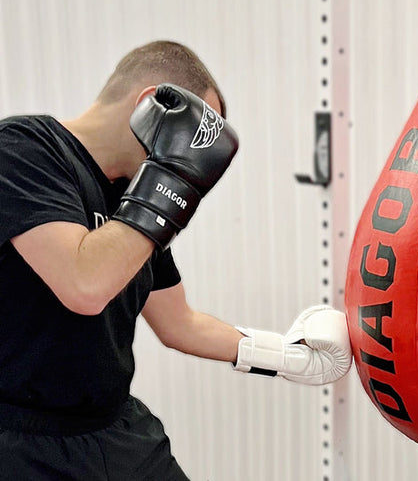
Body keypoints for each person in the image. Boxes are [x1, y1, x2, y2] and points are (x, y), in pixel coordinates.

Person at [0, 40, 353, 480]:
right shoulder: (24, 149)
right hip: (24, 445)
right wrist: (170, 179)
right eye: (195, 138)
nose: (197, 157)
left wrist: (290, 356)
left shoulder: (130, 198)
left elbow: (179, 323)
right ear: (151, 106)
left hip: (116, 428)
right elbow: (84, 285)